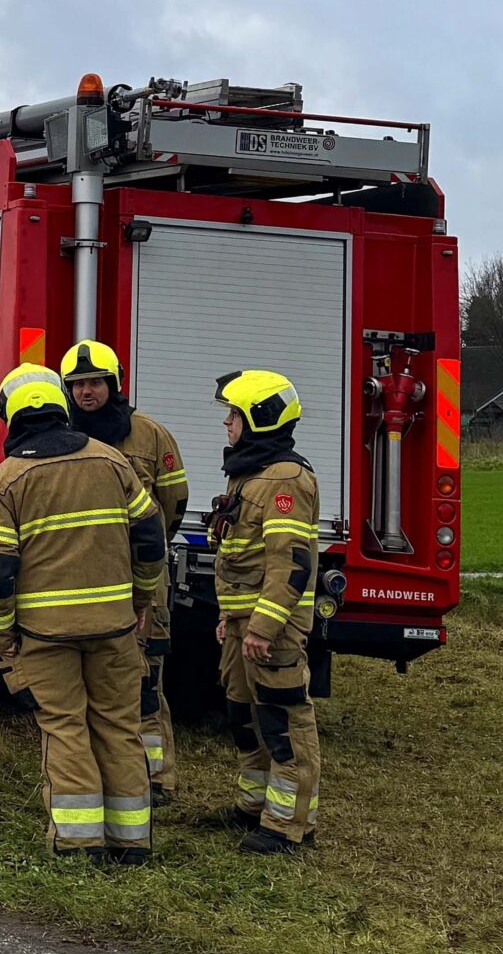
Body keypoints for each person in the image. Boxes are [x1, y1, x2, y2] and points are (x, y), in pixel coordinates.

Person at [0, 365, 165, 864]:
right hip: (116, 627)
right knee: (119, 726)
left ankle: (80, 843)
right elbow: (151, 539)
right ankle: (132, 840)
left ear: (12, 418)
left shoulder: (6, 480)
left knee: (65, 728)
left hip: (45, 634)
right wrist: (140, 601)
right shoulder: (112, 461)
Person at [61, 340, 188, 802]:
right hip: (86, 578)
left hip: (142, 579)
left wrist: (148, 552)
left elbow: (174, 502)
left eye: (94, 382)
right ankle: (104, 769)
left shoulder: (149, 434)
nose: (86, 392)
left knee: (145, 677)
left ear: (114, 385)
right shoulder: (64, 436)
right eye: (76, 385)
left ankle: (155, 778)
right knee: (93, 677)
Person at [209, 370, 322, 854]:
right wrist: (231, 619)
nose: (228, 425)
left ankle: (288, 825)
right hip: (242, 627)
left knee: (282, 722)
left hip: (269, 631)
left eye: (234, 415)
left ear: (259, 418)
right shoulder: (249, 474)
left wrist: (263, 626)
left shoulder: (286, 480)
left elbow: (288, 563)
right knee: (243, 715)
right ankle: (254, 806)